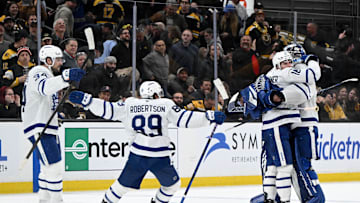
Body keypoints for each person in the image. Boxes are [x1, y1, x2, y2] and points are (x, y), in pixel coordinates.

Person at [68, 81, 226, 203]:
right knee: (172, 185)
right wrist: (208, 117)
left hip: (138, 154)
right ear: (157, 94)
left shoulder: (130, 103)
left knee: (121, 186)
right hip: (160, 156)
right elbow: (184, 119)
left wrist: (88, 101)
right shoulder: (165, 104)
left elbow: (108, 110)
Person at [21, 45, 85, 203]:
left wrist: (66, 82)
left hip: (46, 126)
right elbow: (45, 88)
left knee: (48, 165)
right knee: (54, 166)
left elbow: (49, 97)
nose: (61, 62)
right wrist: (66, 76)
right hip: (39, 126)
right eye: (58, 59)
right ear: (48, 60)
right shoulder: (38, 71)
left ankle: (44, 198)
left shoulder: (48, 74)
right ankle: (56, 200)